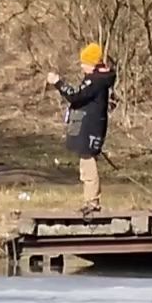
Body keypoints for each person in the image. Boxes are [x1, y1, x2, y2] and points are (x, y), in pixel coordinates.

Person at [47, 42, 116, 213]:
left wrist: (58, 83)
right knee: (85, 165)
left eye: (84, 62)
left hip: (90, 128)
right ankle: (89, 201)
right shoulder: (96, 79)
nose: (81, 66)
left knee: (88, 164)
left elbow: (75, 96)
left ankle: (92, 202)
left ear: (92, 64)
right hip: (89, 127)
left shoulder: (95, 81)